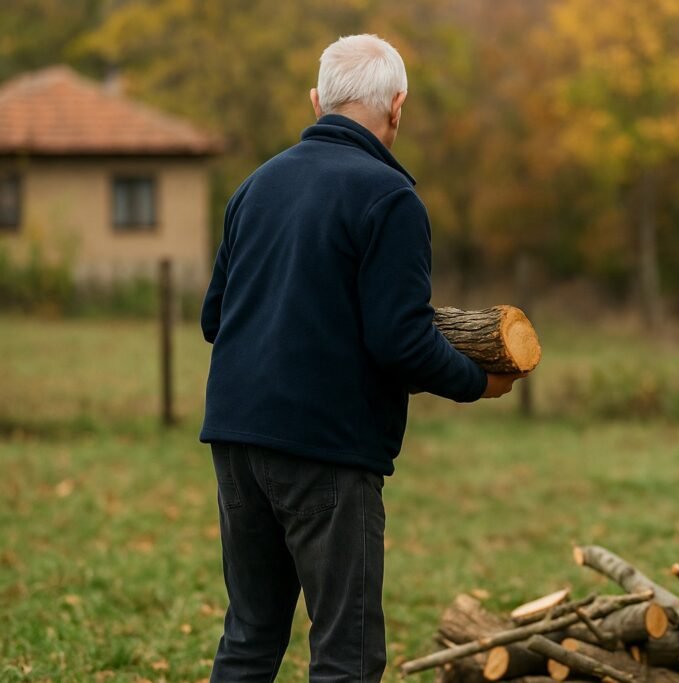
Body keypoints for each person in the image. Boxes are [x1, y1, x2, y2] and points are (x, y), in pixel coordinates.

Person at [198, 33, 519, 682]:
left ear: (317, 100)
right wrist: (477, 381)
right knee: (348, 650)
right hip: (327, 449)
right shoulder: (389, 196)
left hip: (235, 439)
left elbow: (213, 319)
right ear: (397, 107)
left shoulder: (253, 187)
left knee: (251, 634)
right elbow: (399, 341)